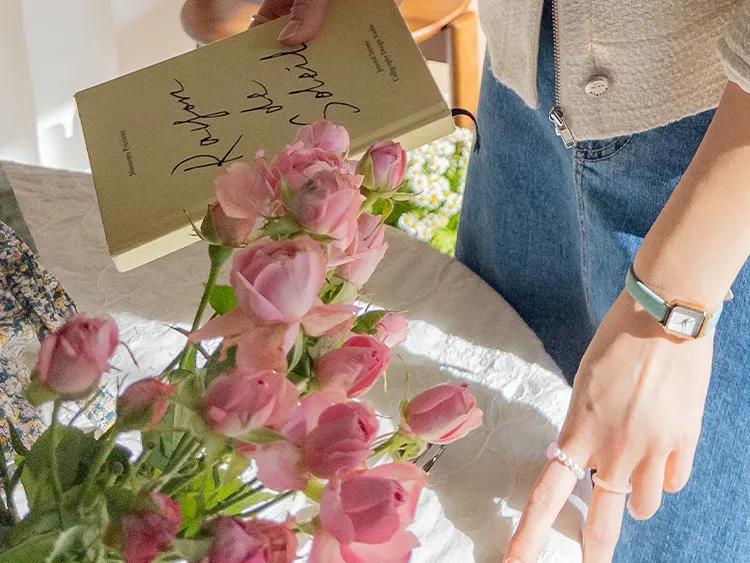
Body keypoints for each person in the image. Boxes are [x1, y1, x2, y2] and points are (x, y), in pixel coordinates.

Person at [246, 0, 750, 561]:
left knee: (654, 540)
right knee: (470, 502)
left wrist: (675, 304)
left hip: (717, 171)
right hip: (520, 86)